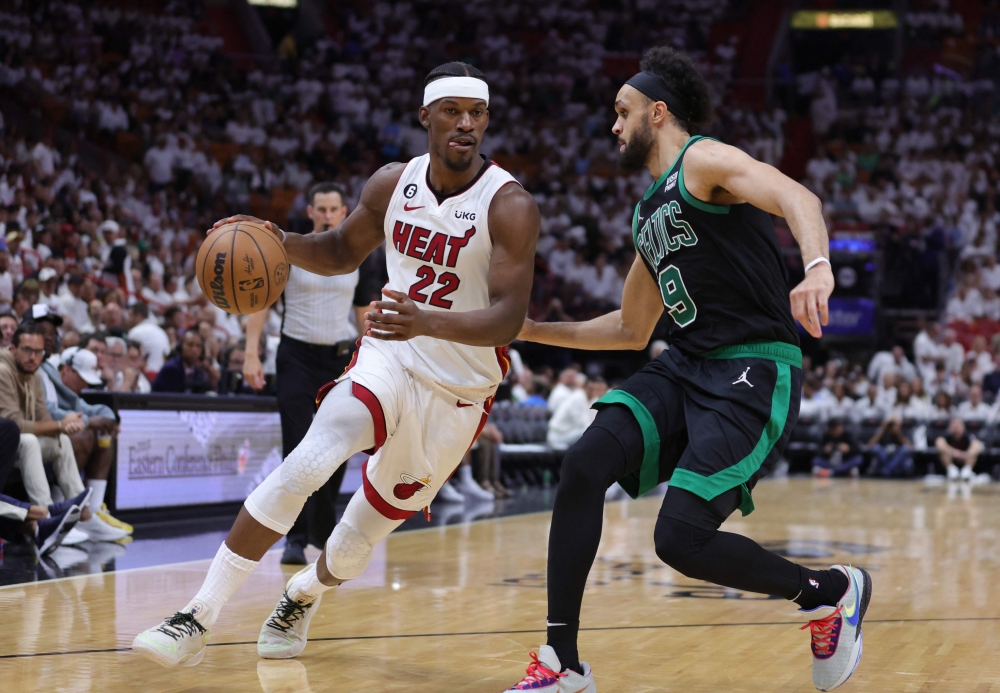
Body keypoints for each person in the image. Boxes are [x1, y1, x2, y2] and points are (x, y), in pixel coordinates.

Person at [133, 61, 539, 669]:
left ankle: (304, 593)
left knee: (356, 539)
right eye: (452, 111)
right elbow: (341, 250)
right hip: (391, 357)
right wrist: (277, 240)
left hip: (459, 388)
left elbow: (508, 318)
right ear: (424, 115)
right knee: (311, 458)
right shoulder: (390, 184)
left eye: (476, 113)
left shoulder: (509, 204)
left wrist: (425, 319)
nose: (465, 124)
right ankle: (197, 614)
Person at [505, 46, 869, 693]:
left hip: (752, 368)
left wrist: (817, 266)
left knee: (680, 539)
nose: (613, 125)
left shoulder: (700, 161)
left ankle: (830, 590)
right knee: (584, 463)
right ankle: (563, 661)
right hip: (687, 363)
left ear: (658, 111)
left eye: (622, 112)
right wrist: (532, 328)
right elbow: (629, 327)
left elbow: (795, 195)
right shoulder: (648, 212)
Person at [241, 181, 373, 565]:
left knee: (336, 448)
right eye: (322, 209)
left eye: (335, 209)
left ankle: (323, 530)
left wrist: (372, 358)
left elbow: (363, 315)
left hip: (341, 359)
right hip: (295, 355)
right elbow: (262, 304)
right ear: (311, 212)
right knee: (297, 449)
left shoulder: (357, 255)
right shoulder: (288, 250)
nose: (328, 215)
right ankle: (294, 538)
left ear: (344, 212)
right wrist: (251, 354)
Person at [0, 322, 123, 541]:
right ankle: (48, 520)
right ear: (13, 349)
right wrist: (59, 424)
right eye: (27, 350)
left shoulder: (34, 374)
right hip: (6, 444)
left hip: (19, 441)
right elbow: (14, 424)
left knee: (62, 441)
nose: (33, 357)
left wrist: (65, 427)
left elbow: (43, 417)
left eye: (38, 352)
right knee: (29, 440)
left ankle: (86, 516)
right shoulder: (3, 370)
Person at [151, 331, 216, 394]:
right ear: (181, 347)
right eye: (190, 345)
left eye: (198, 346)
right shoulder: (171, 369)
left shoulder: (197, 372)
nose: (194, 350)